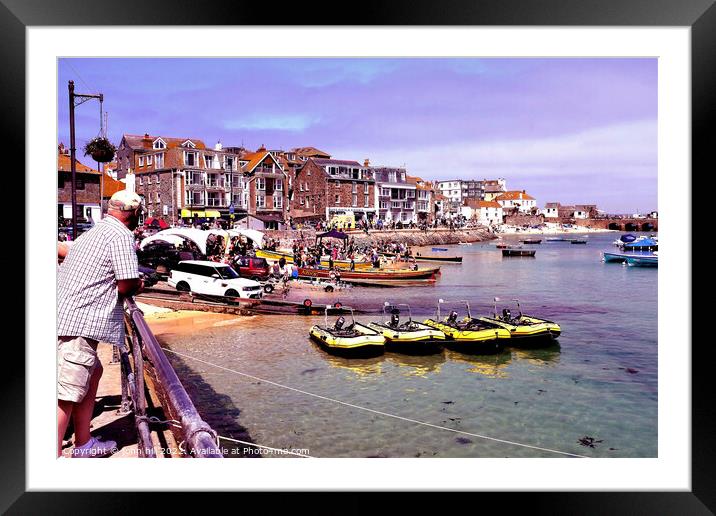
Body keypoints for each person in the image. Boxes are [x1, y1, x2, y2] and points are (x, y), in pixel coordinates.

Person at [56, 190, 145, 458]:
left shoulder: (95, 231)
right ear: (135, 214)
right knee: (66, 392)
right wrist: (140, 284)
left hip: (69, 316)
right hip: (78, 323)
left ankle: (84, 443)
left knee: (92, 371)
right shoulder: (121, 235)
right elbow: (126, 283)